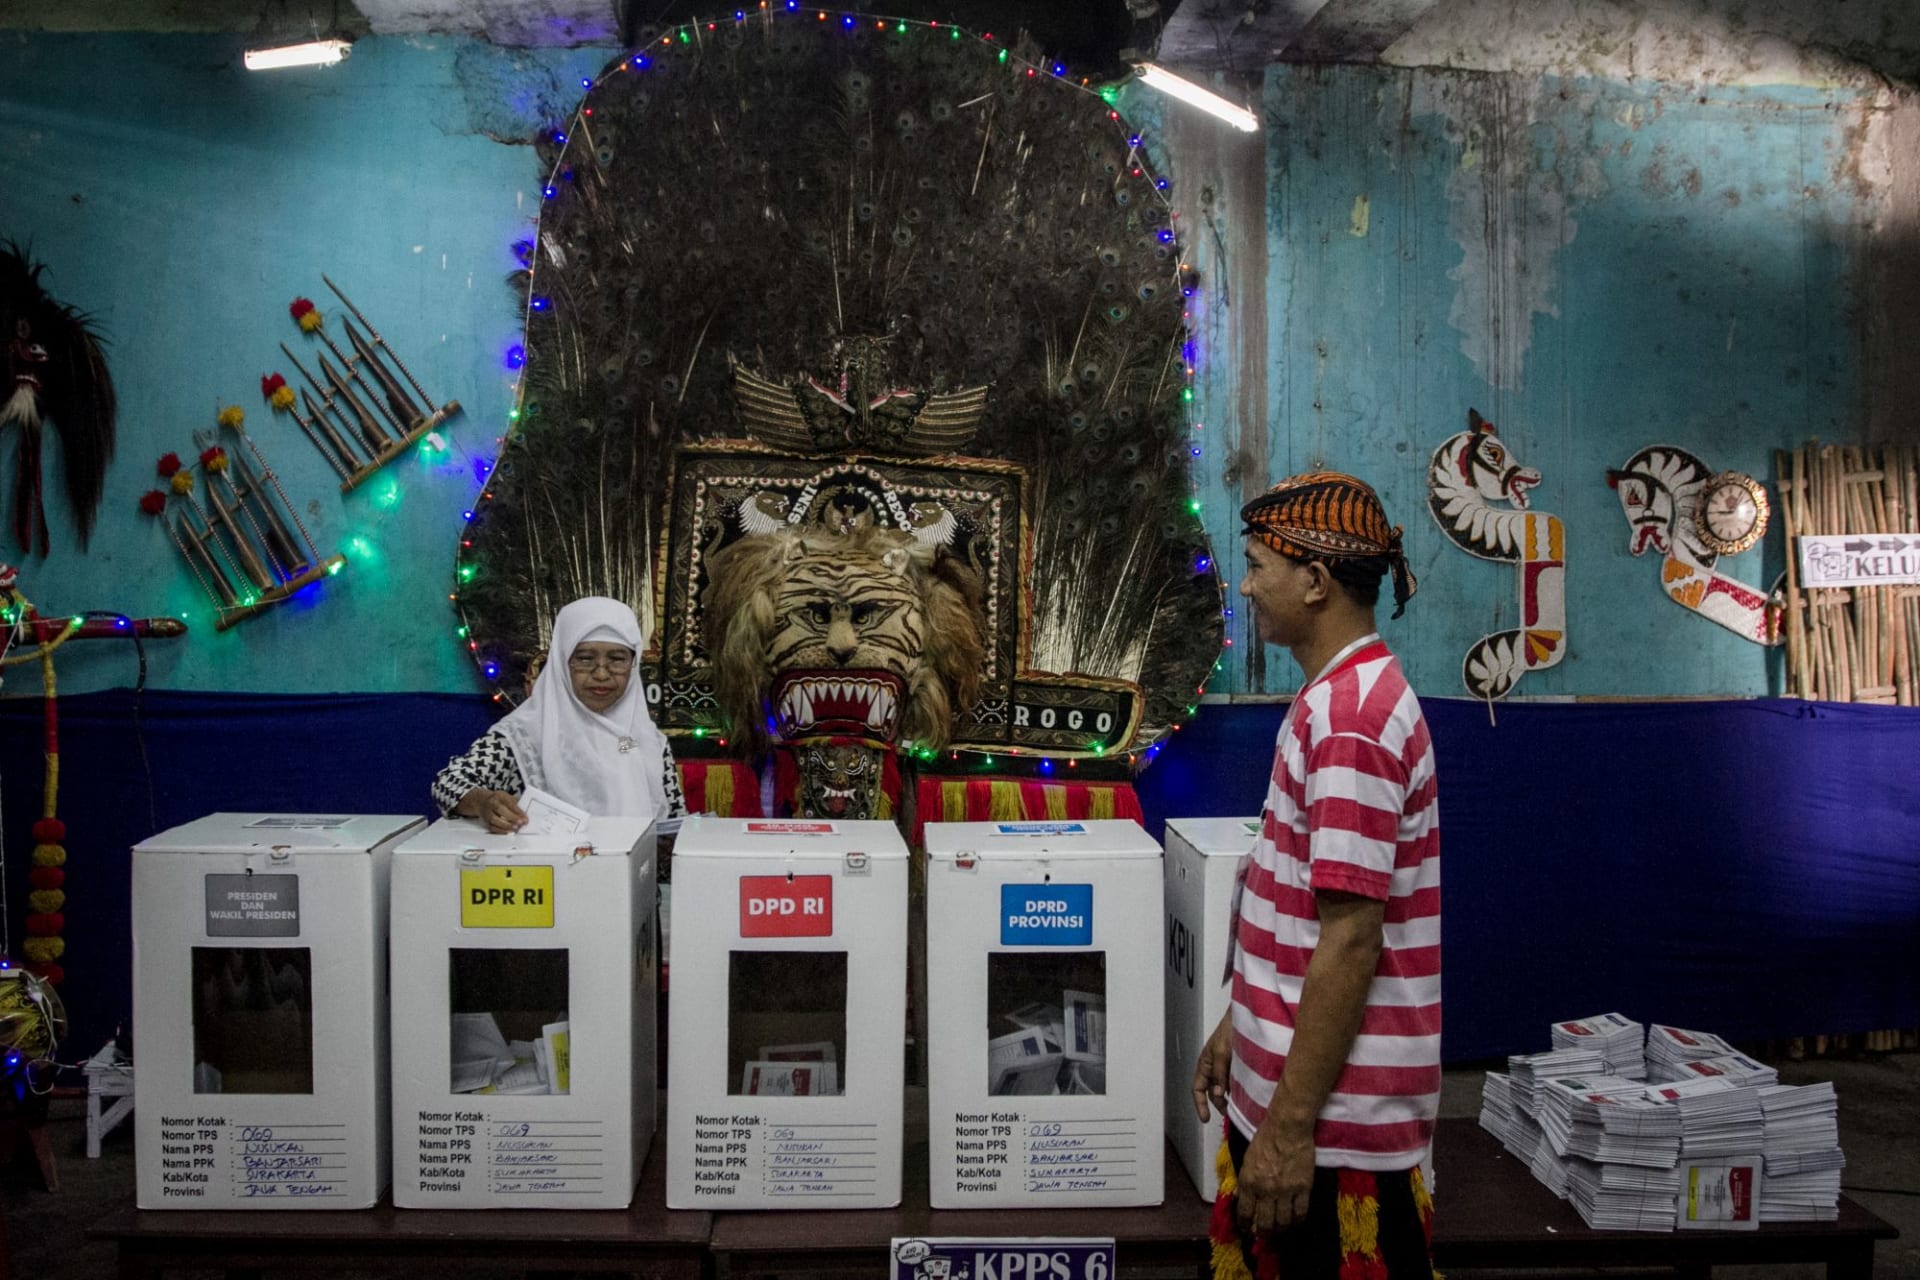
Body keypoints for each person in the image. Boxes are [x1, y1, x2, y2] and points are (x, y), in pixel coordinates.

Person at [1191, 471, 1441, 1280]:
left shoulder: (1353, 720)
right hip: (1295, 1114)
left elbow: (1350, 938)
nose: (1249, 586)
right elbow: (1299, 907)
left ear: (1315, 580)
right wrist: (1242, 1024)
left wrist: (1290, 1128)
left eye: (1259, 563)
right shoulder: (1332, 697)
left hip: (1331, 1145)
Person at [432, 596, 687, 831]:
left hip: (636, 876)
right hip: (550, 876)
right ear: (561, 663)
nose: (601, 673)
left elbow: (675, 820)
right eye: (585, 658)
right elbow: (448, 784)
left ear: (634, 664)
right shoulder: (525, 735)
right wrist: (485, 802)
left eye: (617, 659)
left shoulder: (647, 741)